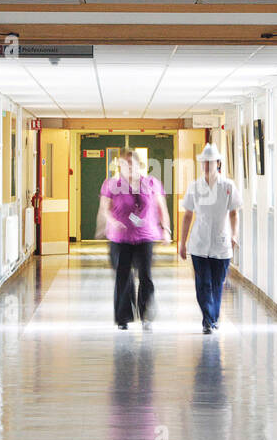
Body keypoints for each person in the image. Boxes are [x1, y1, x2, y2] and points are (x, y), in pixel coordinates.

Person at [96, 150, 171, 330]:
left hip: (145, 237)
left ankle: (146, 314)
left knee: (145, 276)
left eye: (131, 163)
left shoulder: (152, 183)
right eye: (123, 164)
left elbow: (162, 208)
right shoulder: (112, 184)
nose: (127, 167)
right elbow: (105, 208)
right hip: (120, 238)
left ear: (139, 164)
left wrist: (166, 229)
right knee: (123, 277)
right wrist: (112, 221)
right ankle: (123, 317)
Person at [178, 143, 242, 334]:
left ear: (218, 163)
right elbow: (188, 215)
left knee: (216, 284)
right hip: (199, 244)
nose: (207, 165)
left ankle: (212, 318)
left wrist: (234, 234)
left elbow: (234, 214)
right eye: (204, 162)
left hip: (221, 244)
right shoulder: (195, 187)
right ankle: (208, 320)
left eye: (210, 162)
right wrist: (182, 242)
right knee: (203, 284)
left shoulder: (228, 186)